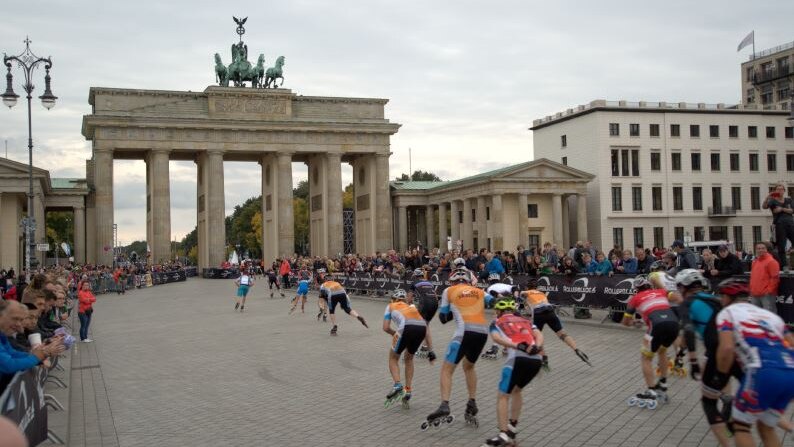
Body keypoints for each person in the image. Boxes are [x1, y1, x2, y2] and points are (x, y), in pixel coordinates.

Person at [711, 276, 794, 447]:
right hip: (790, 371)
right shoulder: (770, 316)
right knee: (766, 427)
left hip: (762, 371)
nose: (720, 300)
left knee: (740, 426)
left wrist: (720, 376)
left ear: (728, 297)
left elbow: (726, 349)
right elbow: (791, 344)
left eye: (722, 296)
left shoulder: (727, 313)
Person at [423, 269, 491, 429]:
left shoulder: (449, 290)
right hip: (482, 333)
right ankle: (472, 403)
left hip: (464, 332)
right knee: (469, 366)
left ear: (452, 281)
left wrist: (454, 309)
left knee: (447, 370)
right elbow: (494, 302)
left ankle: (444, 404)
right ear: (468, 281)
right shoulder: (479, 291)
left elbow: (443, 318)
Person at [674, 270, 735, 446]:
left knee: (708, 400)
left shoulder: (687, 303)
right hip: (733, 346)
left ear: (683, 287)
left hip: (717, 348)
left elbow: (689, 331)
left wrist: (692, 361)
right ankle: (728, 407)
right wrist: (680, 353)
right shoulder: (714, 298)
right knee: (723, 378)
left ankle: (725, 432)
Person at [481, 298, 543, 447]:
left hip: (517, 358)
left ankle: (503, 435)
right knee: (517, 390)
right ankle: (512, 428)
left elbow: (497, 338)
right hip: (536, 359)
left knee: (503, 396)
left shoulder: (496, 322)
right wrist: (537, 347)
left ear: (498, 311)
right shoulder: (526, 320)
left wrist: (518, 346)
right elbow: (539, 335)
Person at [622, 276, 679, 409]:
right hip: (674, 324)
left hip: (656, 326)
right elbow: (676, 298)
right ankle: (663, 383)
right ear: (649, 286)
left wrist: (636, 322)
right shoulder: (661, 292)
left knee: (646, 358)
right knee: (662, 351)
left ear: (636, 289)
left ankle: (651, 389)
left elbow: (625, 322)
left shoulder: (635, 298)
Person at [521, 289, 590, 369]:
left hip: (538, 314)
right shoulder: (541, 293)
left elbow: (525, 305)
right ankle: (576, 349)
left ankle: (544, 358)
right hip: (550, 312)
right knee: (562, 334)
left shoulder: (526, 293)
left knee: (537, 336)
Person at [382, 289, 427, 409]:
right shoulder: (411, 306)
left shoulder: (390, 305)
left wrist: (395, 334)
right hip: (422, 328)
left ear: (393, 299)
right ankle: (408, 390)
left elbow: (385, 327)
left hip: (406, 327)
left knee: (393, 358)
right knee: (409, 358)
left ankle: (397, 385)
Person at [481, 273, 519, 360]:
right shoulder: (505, 284)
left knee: (498, 327)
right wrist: (515, 298)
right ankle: (507, 348)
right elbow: (515, 288)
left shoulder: (489, 288)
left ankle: (494, 350)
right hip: (513, 306)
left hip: (503, 308)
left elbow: (494, 294)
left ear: (489, 280)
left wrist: (503, 299)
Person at [409, 269, 439, 362]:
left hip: (425, 303)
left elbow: (409, 299)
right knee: (426, 325)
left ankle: (429, 351)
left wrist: (408, 306)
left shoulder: (414, 283)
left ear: (415, 276)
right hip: (435, 303)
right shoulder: (429, 283)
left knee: (421, 327)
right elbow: (436, 296)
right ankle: (425, 347)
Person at [762, 183, 794, 270]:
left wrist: (782, 209)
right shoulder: (772, 200)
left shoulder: (788, 200)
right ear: (775, 191)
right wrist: (768, 197)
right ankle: (784, 266)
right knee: (781, 246)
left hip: (790, 224)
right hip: (779, 225)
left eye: (781, 189)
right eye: (778, 189)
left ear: (784, 191)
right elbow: (764, 206)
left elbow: (792, 211)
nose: (780, 191)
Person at [749, 241, 780, 314]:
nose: (760, 250)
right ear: (756, 250)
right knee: (756, 317)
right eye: (758, 248)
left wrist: (768, 291)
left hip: (766, 295)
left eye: (763, 248)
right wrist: (752, 289)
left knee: (769, 316)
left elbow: (775, 278)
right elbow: (753, 277)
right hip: (755, 294)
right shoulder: (754, 262)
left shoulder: (772, 262)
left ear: (766, 249)